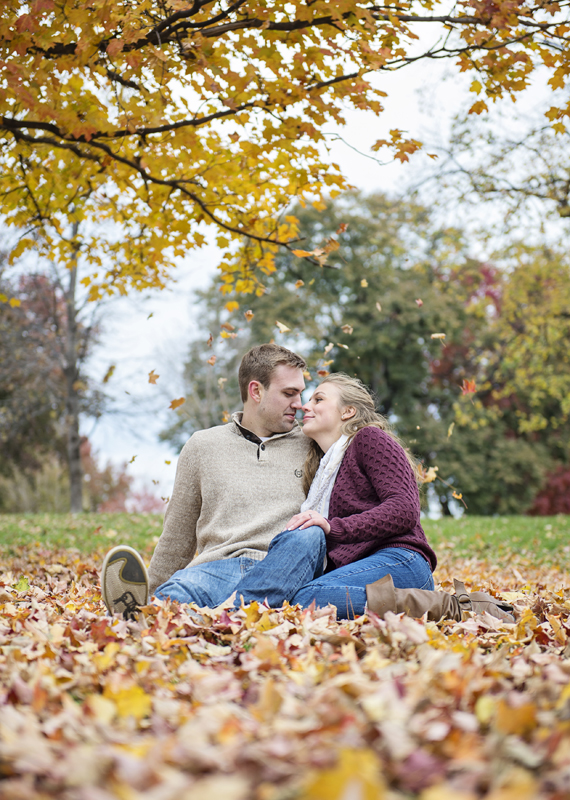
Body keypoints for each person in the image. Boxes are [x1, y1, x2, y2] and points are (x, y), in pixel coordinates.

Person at [101, 349, 513, 623]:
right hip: (221, 565)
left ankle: (233, 616)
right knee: (183, 589)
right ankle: (148, 611)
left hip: (293, 559)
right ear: (255, 391)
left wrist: (329, 528)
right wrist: (154, 581)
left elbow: (393, 506)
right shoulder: (203, 446)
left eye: (311, 396)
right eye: (292, 394)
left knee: (307, 534)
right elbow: (176, 536)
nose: (302, 405)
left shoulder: (316, 442)